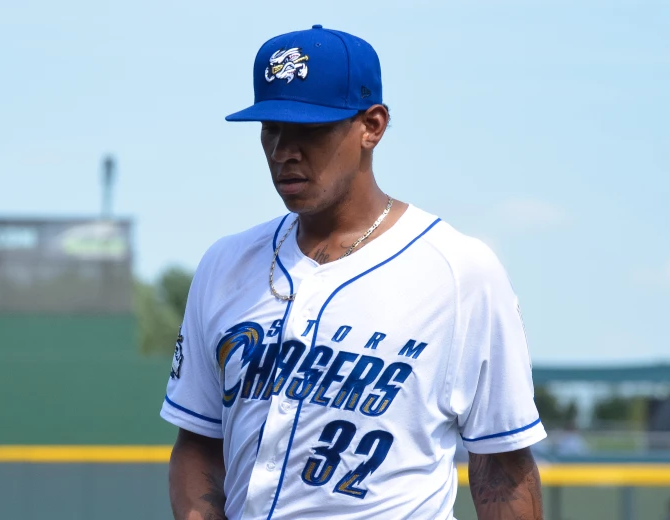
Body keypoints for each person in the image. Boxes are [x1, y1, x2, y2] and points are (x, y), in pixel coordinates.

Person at [161, 25, 546, 520]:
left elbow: (501, 466)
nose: (283, 151)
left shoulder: (459, 272)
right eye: (271, 128)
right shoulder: (225, 264)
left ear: (372, 126)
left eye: (309, 129)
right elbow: (198, 443)